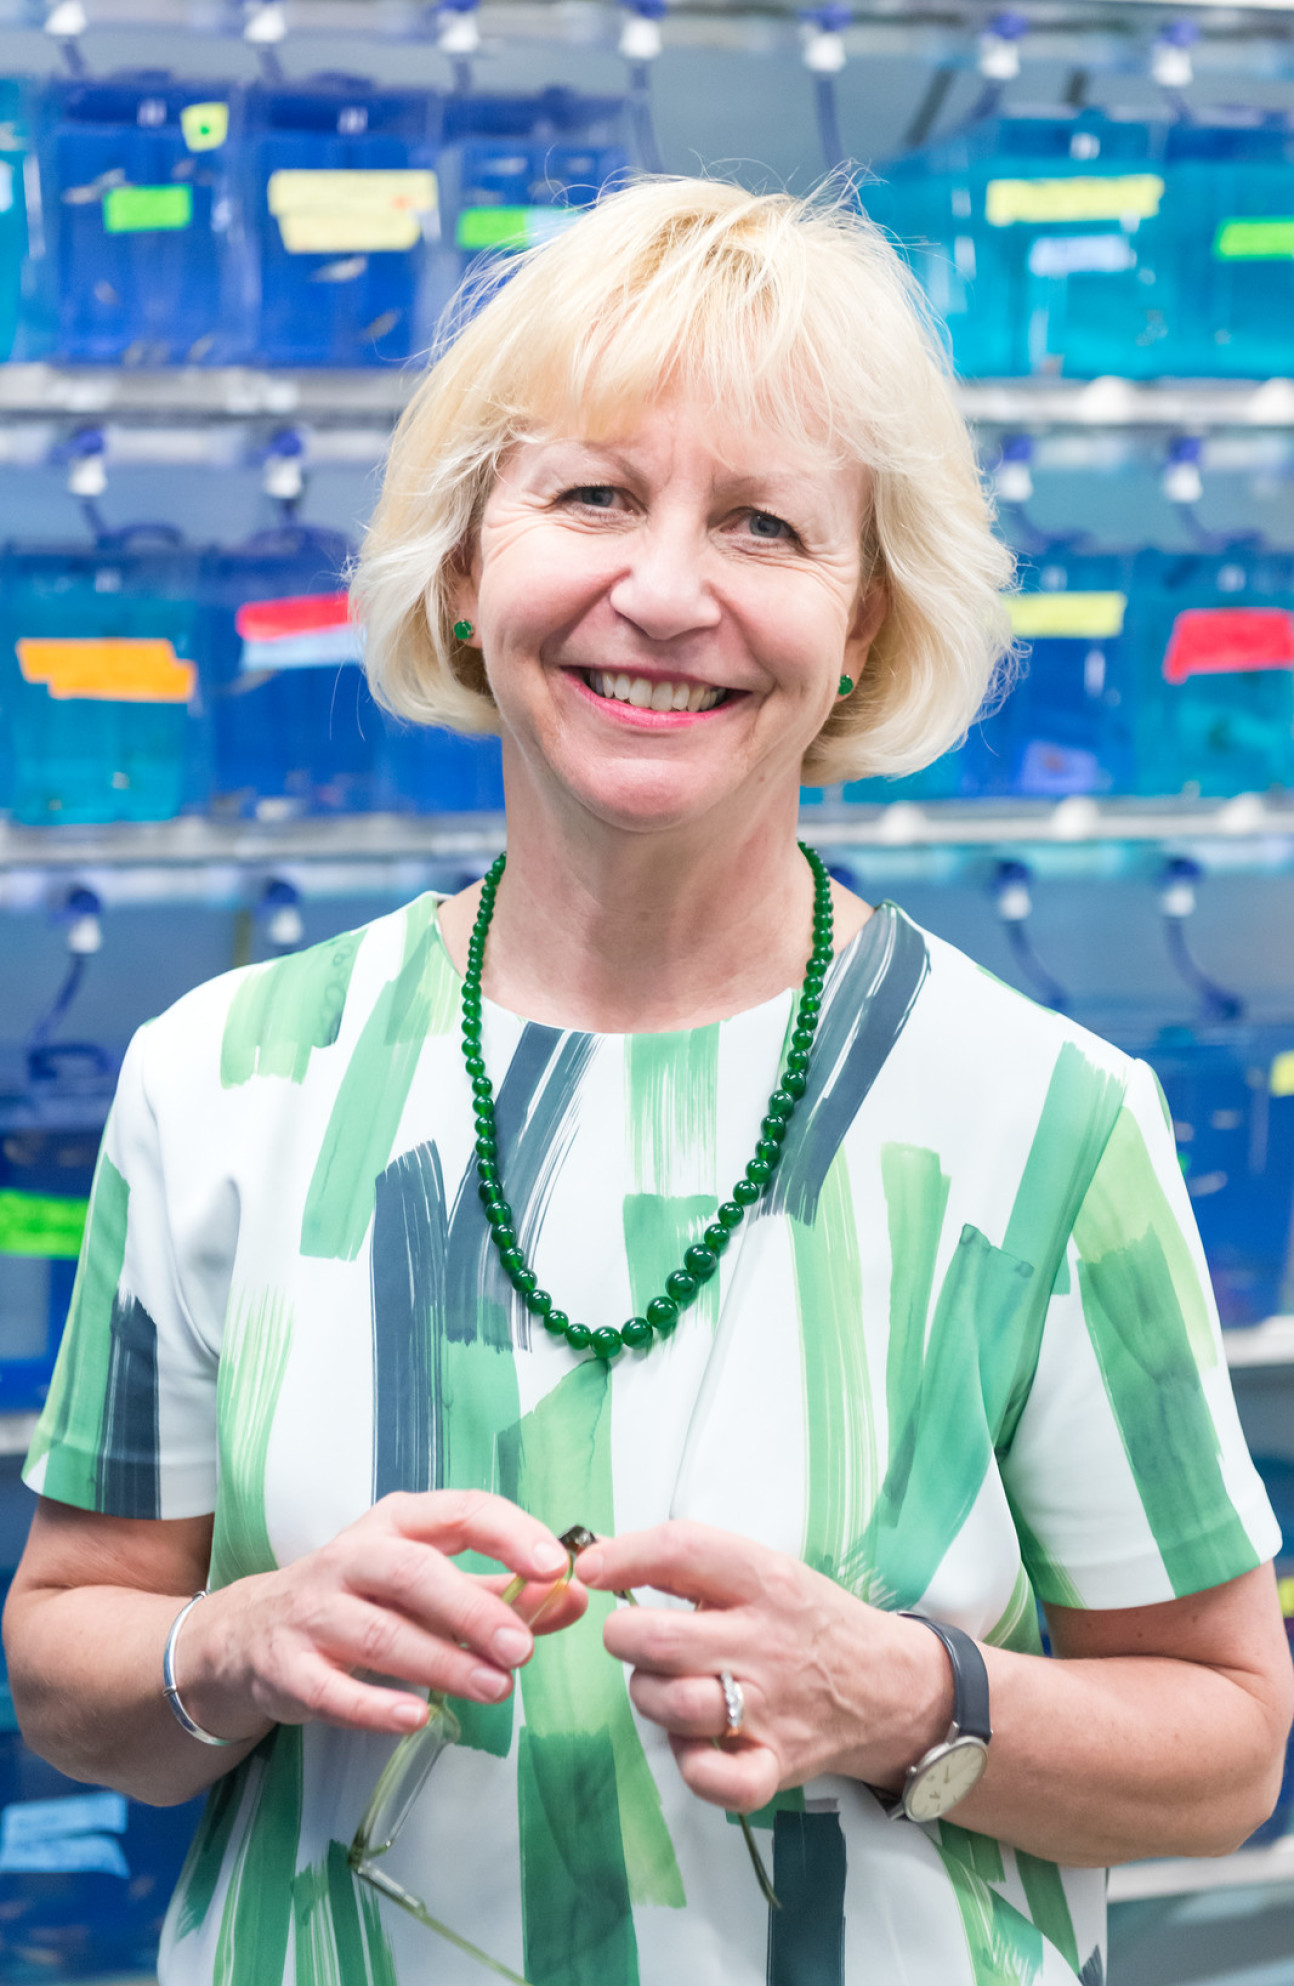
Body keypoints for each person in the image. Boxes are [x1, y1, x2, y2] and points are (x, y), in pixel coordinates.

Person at [4, 177, 1291, 1986]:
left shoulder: (1043, 1118)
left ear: (863, 622)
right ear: (465, 568)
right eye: (592, 494)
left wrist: (908, 1695)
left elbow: (1228, 1740)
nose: (664, 591)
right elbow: (69, 1659)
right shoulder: (224, 1078)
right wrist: (236, 1642)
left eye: (763, 524)